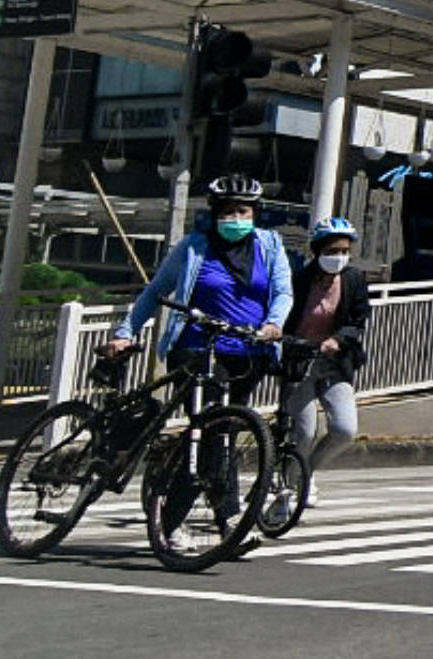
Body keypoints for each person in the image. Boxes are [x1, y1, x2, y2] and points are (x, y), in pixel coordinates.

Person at [112, 173, 291, 377]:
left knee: (235, 409)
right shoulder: (192, 248)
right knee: (205, 406)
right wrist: (124, 334)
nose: (236, 218)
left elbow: (283, 292)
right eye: (228, 212)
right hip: (197, 349)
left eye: (243, 211)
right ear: (215, 214)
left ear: (254, 213)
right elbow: (155, 291)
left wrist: (274, 323)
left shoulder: (271, 245)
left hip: (251, 351)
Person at [279, 216, 373, 478]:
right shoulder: (299, 279)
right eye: (332, 251)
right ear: (317, 251)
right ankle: (286, 488)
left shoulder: (353, 279)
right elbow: (284, 313)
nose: (339, 257)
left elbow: (359, 318)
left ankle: (304, 477)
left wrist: (338, 339)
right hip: (300, 362)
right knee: (304, 432)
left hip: (335, 364)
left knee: (345, 430)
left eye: (344, 251)